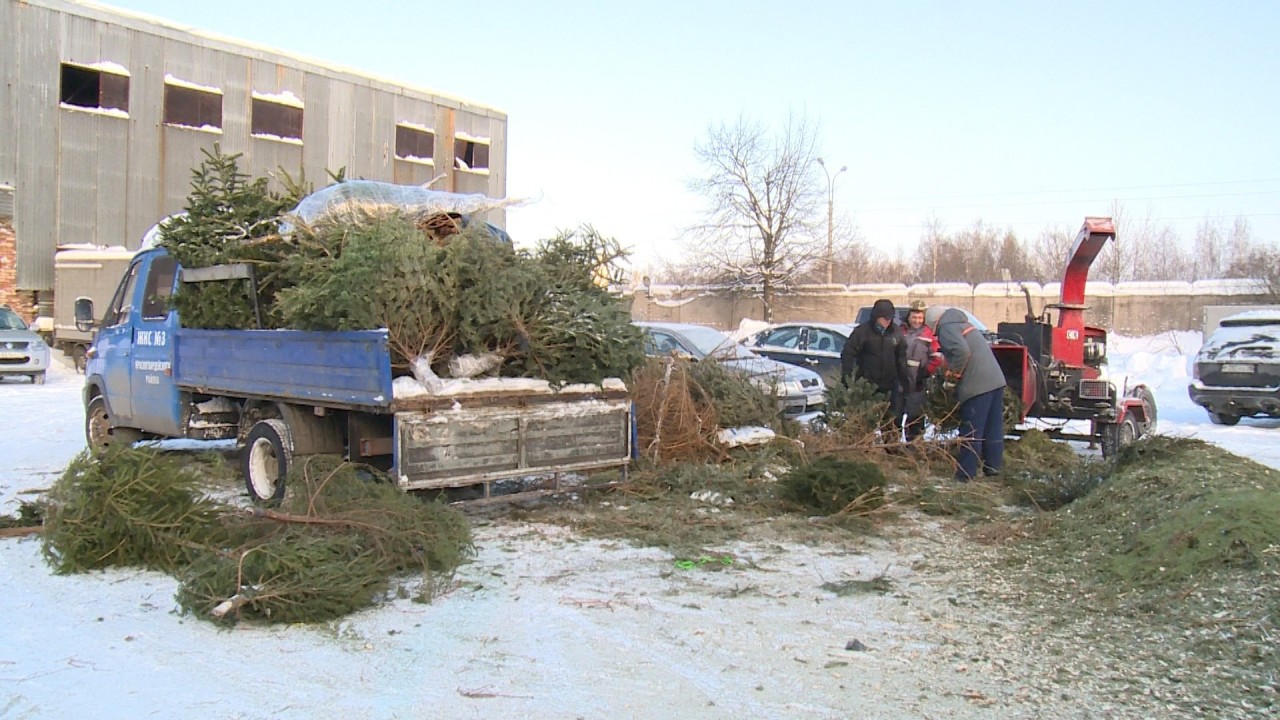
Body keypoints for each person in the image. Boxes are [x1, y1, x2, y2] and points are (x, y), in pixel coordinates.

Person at [925, 305, 1006, 481]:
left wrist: (952, 378)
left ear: (933, 323)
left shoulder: (946, 328)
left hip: (977, 385)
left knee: (971, 430)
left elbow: (961, 352)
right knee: (992, 428)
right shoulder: (960, 323)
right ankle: (993, 468)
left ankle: (965, 474)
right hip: (995, 380)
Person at [841, 299, 910, 433]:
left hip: (890, 385)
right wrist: (848, 379)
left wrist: (904, 382)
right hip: (867, 386)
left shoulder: (896, 332)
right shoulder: (862, 332)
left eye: (890, 318)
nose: (887, 322)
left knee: (891, 424)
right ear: (876, 317)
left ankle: (891, 451)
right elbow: (848, 354)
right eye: (884, 319)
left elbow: (901, 358)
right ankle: (865, 450)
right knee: (865, 424)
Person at [902, 300, 943, 441]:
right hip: (901, 379)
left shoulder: (929, 334)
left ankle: (914, 445)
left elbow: (937, 357)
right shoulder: (901, 331)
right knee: (896, 414)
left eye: (920, 318)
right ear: (908, 316)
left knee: (915, 416)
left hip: (918, 381)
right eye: (914, 317)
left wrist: (926, 372)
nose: (916, 321)